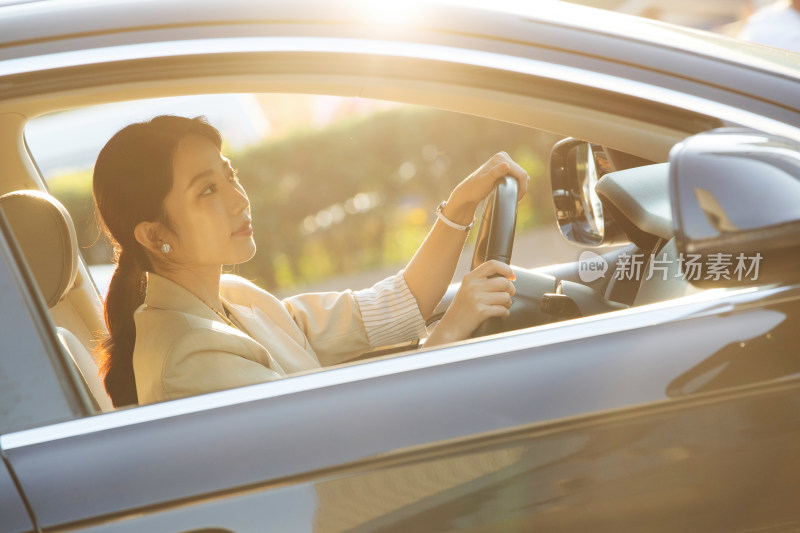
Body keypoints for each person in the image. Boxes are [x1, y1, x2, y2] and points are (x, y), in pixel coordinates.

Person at [93, 115, 529, 407]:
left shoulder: (232, 298)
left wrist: (459, 207)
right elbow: (339, 448)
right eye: (207, 190)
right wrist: (451, 329)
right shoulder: (187, 359)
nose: (239, 199)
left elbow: (388, 307)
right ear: (154, 235)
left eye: (230, 176)